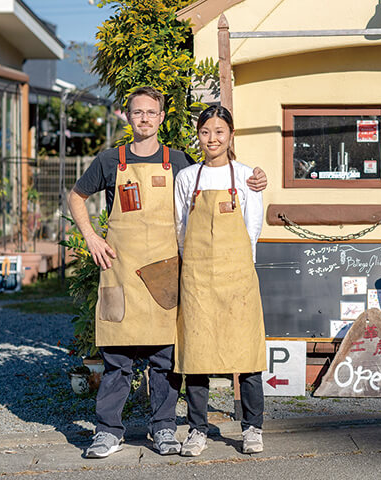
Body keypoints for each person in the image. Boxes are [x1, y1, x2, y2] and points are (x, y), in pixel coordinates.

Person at [67, 87, 267, 459]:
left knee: (164, 360)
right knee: (116, 360)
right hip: (121, 271)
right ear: (128, 117)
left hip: (164, 273)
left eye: (151, 112)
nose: (144, 118)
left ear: (161, 118)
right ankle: (108, 432)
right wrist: (91, 237)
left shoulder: (179, 162)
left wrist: (256, 178)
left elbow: (215, 210)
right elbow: (76, 196)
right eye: (137, 112)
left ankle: (163, 429)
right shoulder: (110, 161)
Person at [174, 105, 267, 457]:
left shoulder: (245, 177)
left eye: (219, 132)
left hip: (238, 276)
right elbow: (181, 228)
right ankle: (197, 430)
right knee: (197, 357)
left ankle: (252, 428)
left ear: (230, 136)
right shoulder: (187, 178)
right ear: (198, 136)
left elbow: (253, 229)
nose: (212, 139)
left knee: (247, 356)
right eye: (205, 132)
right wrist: (192, 267)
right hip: (197, 277)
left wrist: (240, 269)